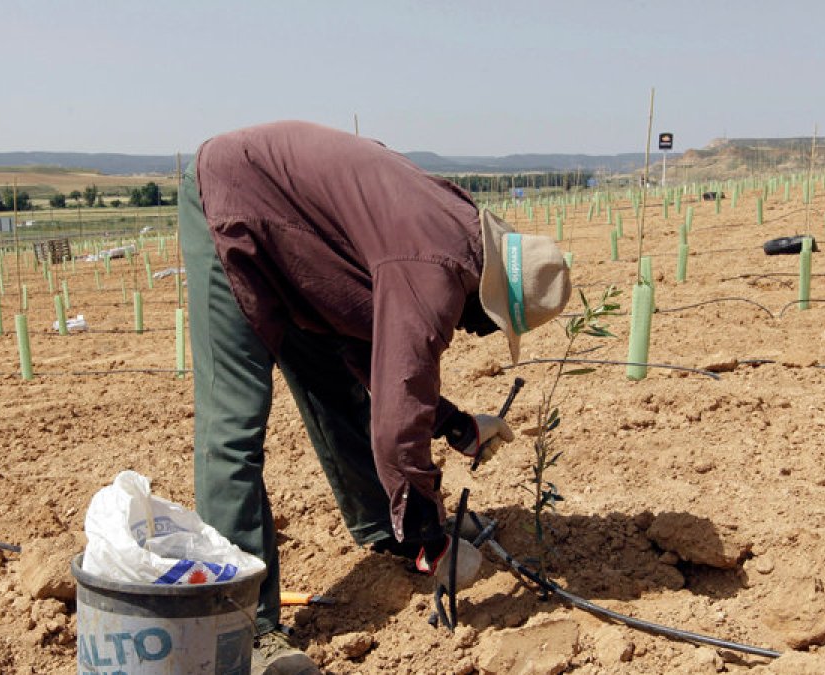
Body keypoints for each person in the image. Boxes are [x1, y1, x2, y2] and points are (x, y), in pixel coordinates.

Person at [180, 120, 571, 674]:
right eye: (487, 326)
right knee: (234, 429)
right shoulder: (434, 270)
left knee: (334, 387)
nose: (473, 333)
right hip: (234, 205)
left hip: (297, 244)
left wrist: (458, 427)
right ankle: (242, 630)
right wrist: (430, 535)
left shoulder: (453, 235)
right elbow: (396, 420)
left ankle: (383, 529)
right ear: (486, 302)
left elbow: (382, 367)